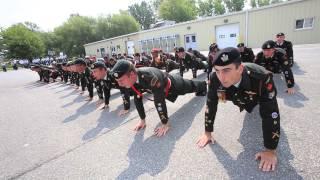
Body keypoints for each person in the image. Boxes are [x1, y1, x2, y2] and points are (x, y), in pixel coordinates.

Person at [197, 47, 280, 172]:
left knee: (263, 108)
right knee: (237, 99)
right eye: (217, 70)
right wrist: (207, 132)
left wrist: (270, 150)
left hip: (256, 94)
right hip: (237, 96)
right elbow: (211, 104)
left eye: (226, 70)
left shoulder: (262, 78)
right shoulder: (215, 78)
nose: (221, 77)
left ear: (240, 68)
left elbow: (270, 113)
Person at [111, 60, 207, 136]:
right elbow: (137, 98)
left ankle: (204, 85)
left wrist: (165, 124)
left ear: (131, 74)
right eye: (118, 81)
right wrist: (142, 120)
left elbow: (159, 102)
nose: (119, 84)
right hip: (163, 89)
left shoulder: (149, 78)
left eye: (121, 80)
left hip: (173, 84)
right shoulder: (132, 80)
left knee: (191, 86)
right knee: (190, 87)